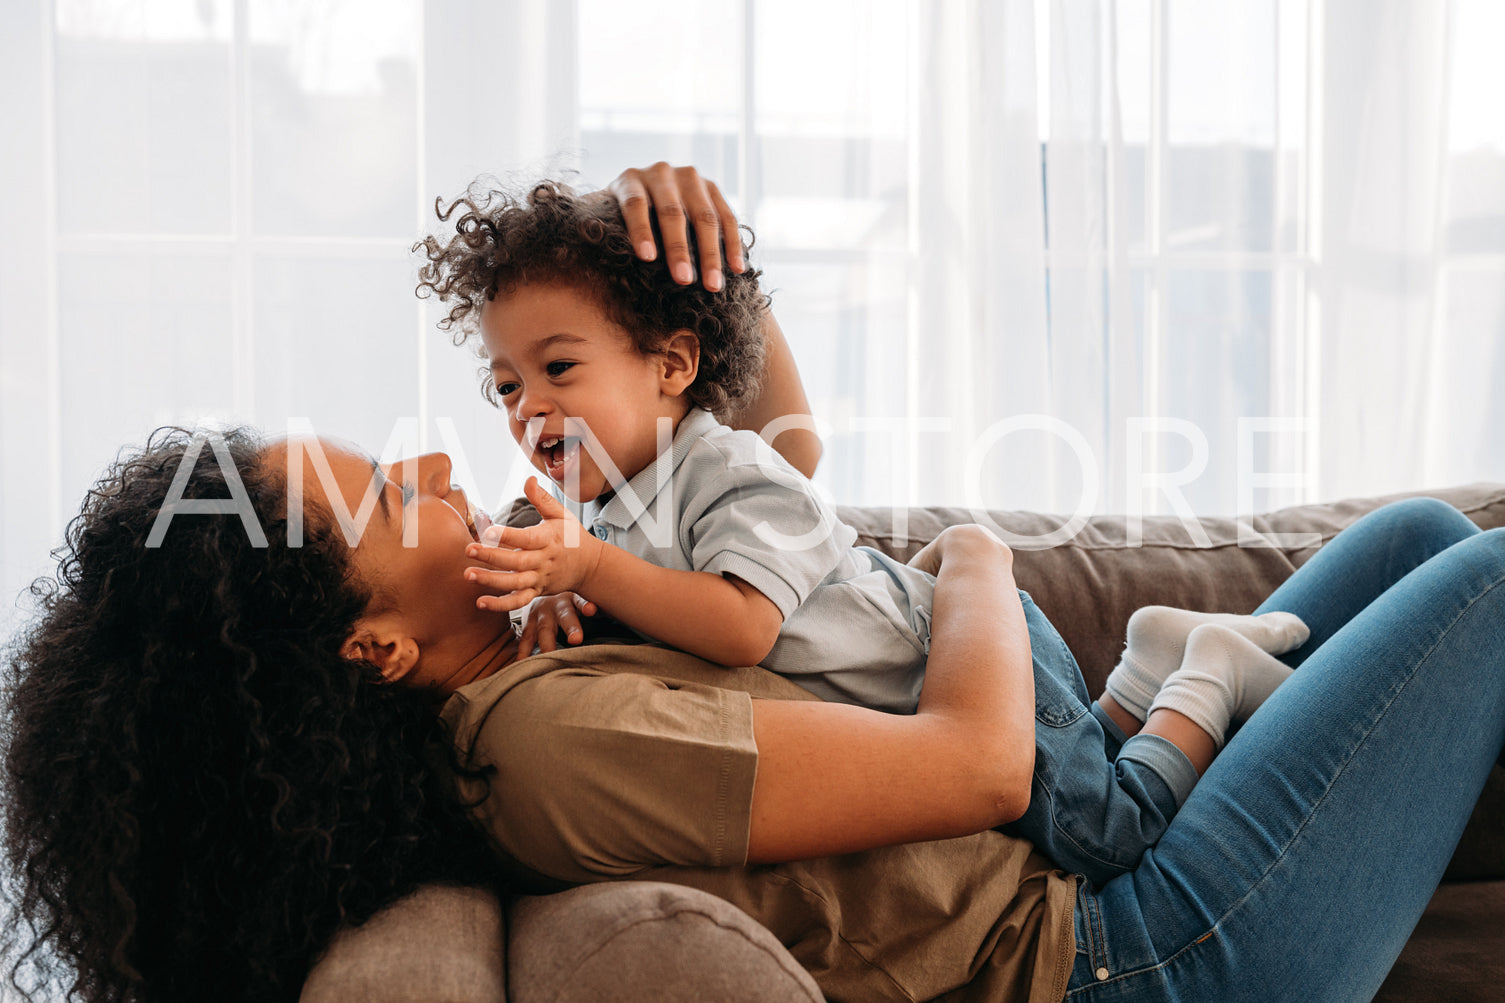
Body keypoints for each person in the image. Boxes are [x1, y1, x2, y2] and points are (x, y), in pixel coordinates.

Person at [4, 168, 1504, 1002]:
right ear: (377, 645)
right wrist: (974, 556)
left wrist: (715, 290)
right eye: (398, 496)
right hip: (1147, 956)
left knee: (1422, 539)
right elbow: (982, 762)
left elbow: (763, 486)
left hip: (1117, 905)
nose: (447, 469)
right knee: (1489, 579)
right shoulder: (546, 743)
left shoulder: (542, 635)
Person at [412, 170, 1310, 884]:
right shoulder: (600, 505)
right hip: (929, 688)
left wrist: (589, 570)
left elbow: (740, 626)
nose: (528, 407)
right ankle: (1150, 658)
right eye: (505, 386)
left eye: (559, 368)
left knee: (1105, 835)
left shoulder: (729, 466)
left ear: (673, 365)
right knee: (1083, 785)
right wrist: (548, 600)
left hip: (959, 657)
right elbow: (577, 592)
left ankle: (1208, 676)